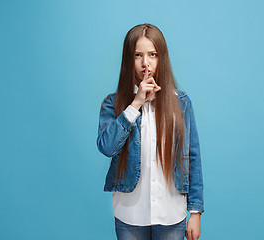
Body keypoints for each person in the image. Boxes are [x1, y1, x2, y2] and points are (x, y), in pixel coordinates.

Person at [97, 23, 204, 240]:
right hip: (130, 215)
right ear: (129, 60)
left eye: (152, 54)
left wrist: (195, 211)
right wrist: (135, 104)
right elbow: (107, 147)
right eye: (138, 55)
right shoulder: (113, 103)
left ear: (161, 58)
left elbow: (192, 157)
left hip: (171, 213)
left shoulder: (181, 104)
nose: (145, 63)